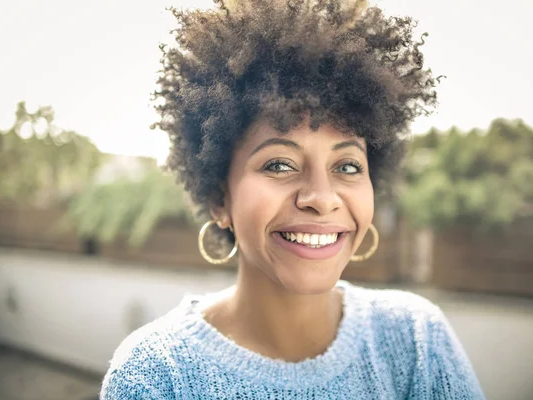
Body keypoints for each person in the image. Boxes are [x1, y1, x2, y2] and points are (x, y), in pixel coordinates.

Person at [100, 0, 485, 398]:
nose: (321, 198)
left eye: (348, 167)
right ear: (220, 197)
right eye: (280, 165)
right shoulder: (156, 375)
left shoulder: (416, 341)